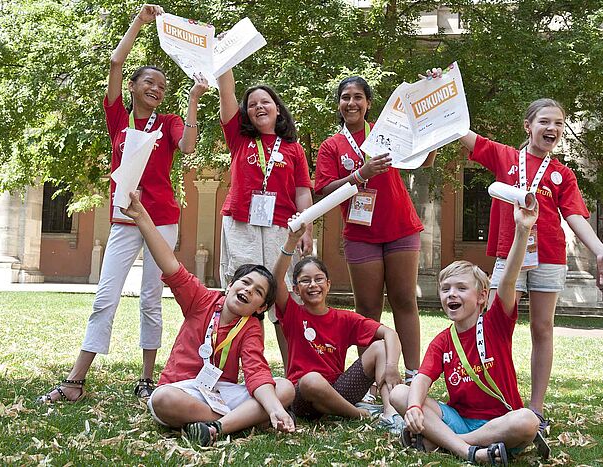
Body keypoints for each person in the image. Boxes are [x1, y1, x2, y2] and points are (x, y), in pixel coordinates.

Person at [38, 4, 208, 403]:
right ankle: (76, 380)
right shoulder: (118, 117)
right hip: (123, 218)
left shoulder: (168, 123)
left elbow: (187, 146)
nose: (156, 89)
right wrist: (140, 22)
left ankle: (148, 377)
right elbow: (116, 61)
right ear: (133, 87)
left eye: (162, 86)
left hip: (161, 218)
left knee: (152, 297)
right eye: (149, 82)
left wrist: (193, 99)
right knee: (105, 296)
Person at [453, 93, 603, 436]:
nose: (552, 128)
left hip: (549, 257)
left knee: (542, 329)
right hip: (509, 255)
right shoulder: (505, 157)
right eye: (545, 121)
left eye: (558, 123)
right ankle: (495, 400)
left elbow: (574, 217)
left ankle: (536, 408)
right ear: (528, 126)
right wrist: (440, 93)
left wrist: (600, 250)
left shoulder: (563, 175)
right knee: (495, 328)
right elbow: (461, 132)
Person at [120, 192, 295, 446]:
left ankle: (217, 428)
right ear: (231, 284)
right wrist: (142, 218)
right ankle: (245, 420)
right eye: (245, 283)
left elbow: (256, 371)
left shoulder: (250, 327)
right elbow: (170, 264)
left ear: (260, 309)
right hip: (184, 390)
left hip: (220, 393)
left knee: (285, 388)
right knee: (161, 399)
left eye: (258, 292)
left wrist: (275, 406)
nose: (248, 290)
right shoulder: (201, 300)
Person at [390, 201, 541, 465]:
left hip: (500, 426)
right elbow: (423, 379)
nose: (452, 294)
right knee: (400, 394)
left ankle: (449, 443)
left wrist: (522, 230)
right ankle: (469, 451)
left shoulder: (496, 323)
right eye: (446, 289)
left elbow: (508, 279)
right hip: (458, 420)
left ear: (483, 296)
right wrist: (414, 406)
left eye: (461, 288)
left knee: (528, 420)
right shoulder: (443, 341)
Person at [313, 76, 436, 385]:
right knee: (367, 307)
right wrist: (359, 175)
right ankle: (369, 377)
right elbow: (324, 190)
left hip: (400, 228)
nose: (351, 103)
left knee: (404, 299)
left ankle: (412, 375)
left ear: (368, 104)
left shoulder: (385, 132)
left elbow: (425, 158)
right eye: (345, 97)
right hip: (360, 234)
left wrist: (431, 91)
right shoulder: (332, 145)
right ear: (339, 104)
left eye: (358, 97)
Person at [216, 66, 313, 368]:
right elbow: (226, 92)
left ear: (278, 110)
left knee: (284, 300)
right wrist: (226, 60)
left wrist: (307, 229)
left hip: (281, 228)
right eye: (252, 104)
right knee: (243, 294)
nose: (259, 106)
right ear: (246, 113)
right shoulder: (238, 138)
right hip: (241, 223)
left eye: (265, 101)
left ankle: (293, 372)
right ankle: (229, 370)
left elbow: (302, 192)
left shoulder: (294, 149)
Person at [271, 220, 403, 430]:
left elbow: (390, 334)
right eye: (305, 281)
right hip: (303, 395)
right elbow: (276, 281)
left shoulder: (343, 318)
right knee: (311, 380)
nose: (313, 285)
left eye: (319, 279)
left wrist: (391, 367)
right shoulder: (292, 313)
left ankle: (390, 412)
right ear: (296, 289)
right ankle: (359, 414)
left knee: (380, 347)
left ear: (328, 285)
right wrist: (291, 241)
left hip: (339, 389)